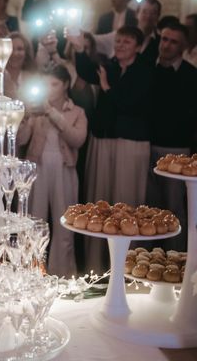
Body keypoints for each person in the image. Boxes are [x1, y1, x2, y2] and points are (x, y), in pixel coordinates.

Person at [72, 25, 153, 272]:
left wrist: (107, 88)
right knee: (101, 197)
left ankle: (126, 268)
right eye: (118, 41)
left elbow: (131, 104)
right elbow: (86, 71)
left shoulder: (146, 70)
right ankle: (96, 265)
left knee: (126, 199)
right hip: (103, 138)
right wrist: (78, 49)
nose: (120, 45)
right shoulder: (110, 66)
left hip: (131, 142)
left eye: (126, 42)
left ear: (138, 47)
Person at [17, 65, 87, 276]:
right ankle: (32, 272)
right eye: (46, 84)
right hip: (37, 166)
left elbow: (78, 139)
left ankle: (63, 275)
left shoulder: (76, 111)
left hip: (64, 168)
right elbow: (21, 140)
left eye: (54, 84)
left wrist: (51, 113)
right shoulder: (35, 110)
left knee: (64, 223)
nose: (49, 89)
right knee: (34, 221)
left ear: (65, 85)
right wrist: (26, 117)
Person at [146, 23, 197, 251]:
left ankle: (177, 259)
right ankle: (149, 258)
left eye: (173, 41)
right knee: (149, 209)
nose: (166, 45)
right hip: (146, 146)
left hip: (177, 150)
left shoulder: (191, 75)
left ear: (183, 45)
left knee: (175, 210)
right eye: (164, 39)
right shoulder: (147, 68)